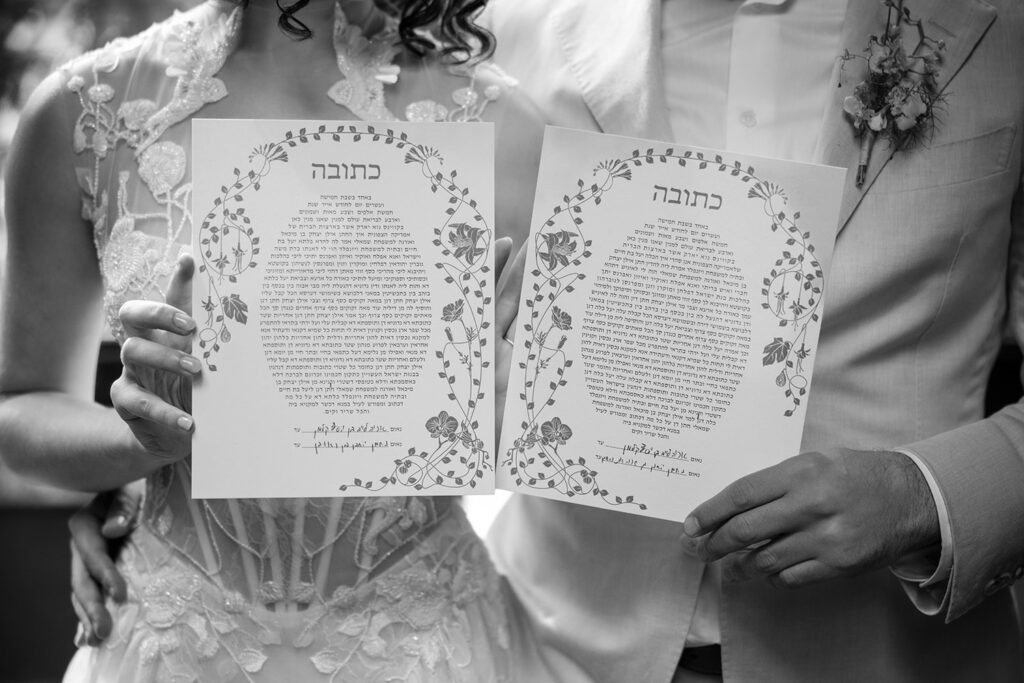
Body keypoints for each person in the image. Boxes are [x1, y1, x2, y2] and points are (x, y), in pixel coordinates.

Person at [477, 0, 1024, 681]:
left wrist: (920, 495)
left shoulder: (1003, 30)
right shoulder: (517, 23)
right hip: (554, 646)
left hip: (890, 651)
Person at [0, 0, 546, 680]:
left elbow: (554, 446)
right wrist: (136, 445)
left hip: (426, 645)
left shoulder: (504, 124)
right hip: (172, 642)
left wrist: (496, 405)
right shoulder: (86, 112)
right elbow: (21, 406)